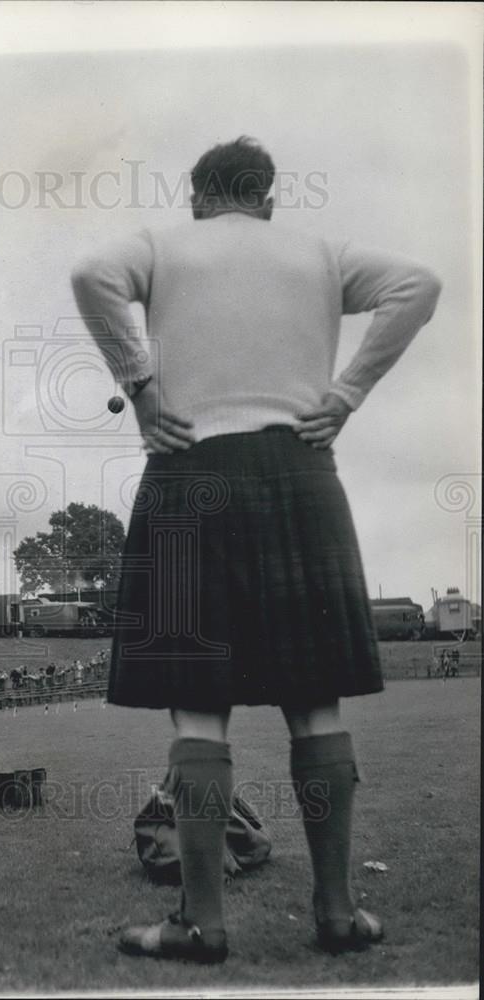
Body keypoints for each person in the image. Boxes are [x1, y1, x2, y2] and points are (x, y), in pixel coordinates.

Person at [71, 136, 441, 962]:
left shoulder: (164, 244)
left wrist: (141, 389)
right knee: (314, 701)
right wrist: (344, 396)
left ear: (196, 196)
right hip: (297, 470)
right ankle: (338, 914)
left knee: (198, 706)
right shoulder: (318, 250)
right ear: (267, 199)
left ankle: (199, 924)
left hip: (185, 467)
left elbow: (90, 275)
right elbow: (420, 284)